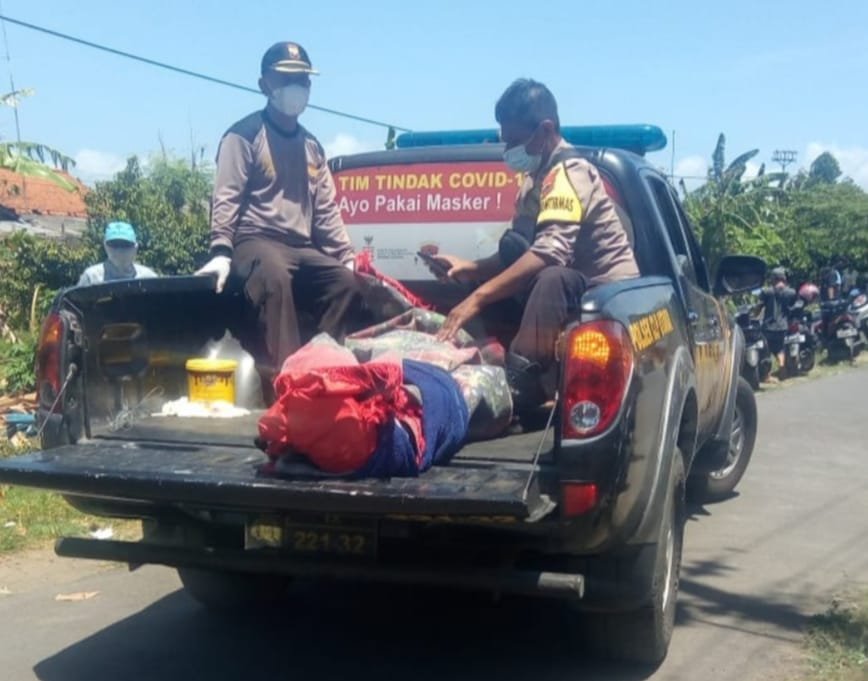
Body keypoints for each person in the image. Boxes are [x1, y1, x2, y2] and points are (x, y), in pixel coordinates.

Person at [430, 78, 639, 407]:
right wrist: (469, 269)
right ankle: (483, 363)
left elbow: (549, 253)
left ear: (544, 131)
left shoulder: (569, 173)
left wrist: (478, 299)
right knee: (509, 260)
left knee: (549, 277)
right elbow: (521, 252)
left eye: (514, 141)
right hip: (569, 285)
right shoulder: (533, 183)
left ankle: (524, 383)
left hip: (606, 292)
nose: (507, 151)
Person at [196, 41, 361, 391]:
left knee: (344, 284)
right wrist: (221, 250)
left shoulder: (312, 146)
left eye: (302, 79)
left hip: (301, 245)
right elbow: (226, 195)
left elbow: (326, 208)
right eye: (286, 78)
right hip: (255, 240)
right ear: (264, 84)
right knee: (274, 276)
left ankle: (323, 372)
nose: (296, 87)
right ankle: (288, 385)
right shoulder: (243, 135)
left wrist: (345, 256)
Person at [77, 221, 158, 286]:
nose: (119, 251)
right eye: (114, 245)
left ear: (135, 248)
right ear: (105, 246)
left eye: (125, 245)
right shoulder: (91, 278)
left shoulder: (149, 279)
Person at [758, 266, 797, 377]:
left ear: (773, 278)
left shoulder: (766, 292)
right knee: (780, 348)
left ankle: (767, 375)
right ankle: (781, 367)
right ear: (784, 278)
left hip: (768, 326)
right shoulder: (791, 292)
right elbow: (794, 306)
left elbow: (759, 307)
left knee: (767, 352)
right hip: (782, 326)